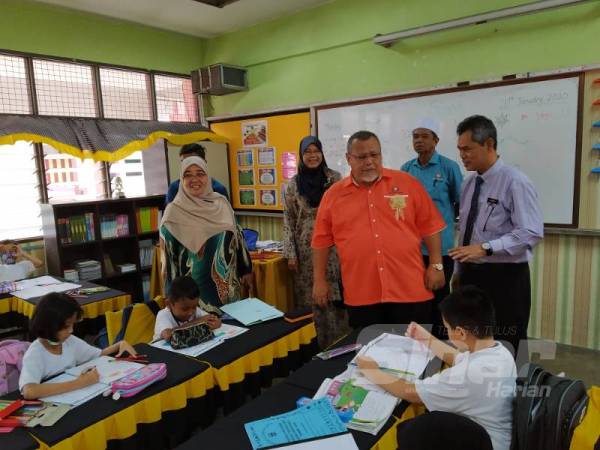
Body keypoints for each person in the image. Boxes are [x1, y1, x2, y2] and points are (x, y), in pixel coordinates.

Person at [312, 130, 446, 329]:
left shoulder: (407, 184)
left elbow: (431, 227)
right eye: (361, 157)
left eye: (374, 155)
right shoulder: (333, 196)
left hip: (409, 289)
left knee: (415, 353)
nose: (369, 162)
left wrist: (436, 265)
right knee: (370, 354)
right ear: (349, 159)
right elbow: (321, 241)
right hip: (362, 293)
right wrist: (319, 280)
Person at [357, 286, 516, 450]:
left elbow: (411, 393)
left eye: (447, 328)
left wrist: (372, 371)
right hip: (495, 437)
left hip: (481, 444)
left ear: (461, 333)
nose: (446, 331)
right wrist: (426, 338)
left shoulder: (465, 375)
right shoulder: (500, 352)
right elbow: (456, 358)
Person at [448, 115, 543, 361]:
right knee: (473, 337)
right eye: (460, 149)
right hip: (472, 274)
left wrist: (486, 248)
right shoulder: (469, 183)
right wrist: (459, 270)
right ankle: (478, 389)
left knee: (509, 338)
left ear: (489, 144)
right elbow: (466, 231)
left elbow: (530, 232)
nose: (462, 155)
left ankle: (513, 391)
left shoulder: (515, 181)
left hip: (505, 277)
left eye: (468, 149)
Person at [160, 156, 253, 310]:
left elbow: (238, 238)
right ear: (181, 180)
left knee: (235, 331)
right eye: (187, 175)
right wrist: (172, 298)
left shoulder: (221, 203)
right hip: (193, 298)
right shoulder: (173, 213)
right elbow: (169, 263)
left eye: (200, 173)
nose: (194, 179)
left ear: (208, 176)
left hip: (230, 291)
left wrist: (246, 269)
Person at [283, 135, 349, 349]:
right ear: (301, 156)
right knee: (312, 300)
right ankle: (316, 349)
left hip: (335, 249)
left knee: (336, 297)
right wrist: (291, 253)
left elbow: (346, 215)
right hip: (306, 251)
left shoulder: (335, 179)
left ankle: (341, 344)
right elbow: (289, 220)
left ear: (322, 153)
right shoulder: (293, 185)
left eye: (316, 151)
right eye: (307, 152)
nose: (312, 156)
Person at [401, 119, 463, 337]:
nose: (418, 141)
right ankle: (418, 345)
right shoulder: (407, 169)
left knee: (440, 301)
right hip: (413, 249)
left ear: (436, 140)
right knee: (416, 300)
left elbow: (460, 202)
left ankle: (442, 346)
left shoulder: (448, 167)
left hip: (441, 248)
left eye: (424, 136)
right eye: (415, 136)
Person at [19, 292, 137, 400]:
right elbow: (29, 391)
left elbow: (98, 355)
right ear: (48, 326)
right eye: (66, 326)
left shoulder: (69, 341)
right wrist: (80, 383)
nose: (71, 330)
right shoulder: (35, 353)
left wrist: (119, 344)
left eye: (72, 325)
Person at [153, 275, 221, 342]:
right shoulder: (163, 315)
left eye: (194, 307)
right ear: (169, 304)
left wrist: (215, 322)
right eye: (185, 309)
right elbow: (168, 335)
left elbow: (212, 319)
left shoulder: (195, 310)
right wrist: (197, 322)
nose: (191, 312)